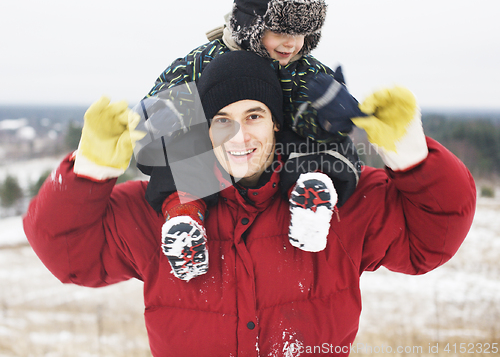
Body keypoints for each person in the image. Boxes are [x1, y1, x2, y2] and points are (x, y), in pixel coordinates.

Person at [24, 50, 476, 357]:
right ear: (205, 130)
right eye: (222, 121)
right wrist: (90, 168)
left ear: (277, 124)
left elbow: (430, 238)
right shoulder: (152, 212)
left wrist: (412, 156)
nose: (239, 136)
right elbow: (70, 255)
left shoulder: (339, 205)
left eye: (254, 116)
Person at [137, 0, 365, 280]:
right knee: (184, 154)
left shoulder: (304, 70)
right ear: (251, 25)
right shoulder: (203, 62)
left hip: (280, 161)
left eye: (301, 34)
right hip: (221, 157)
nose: (292, 44)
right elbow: (157, 108)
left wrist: (330, 116)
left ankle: (311, 198)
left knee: (329, 148)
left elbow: (322, 123)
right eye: (281, 32)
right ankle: (184, 220)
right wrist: (170, 120)